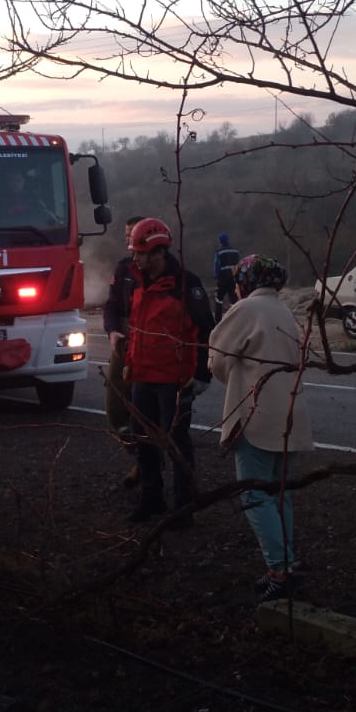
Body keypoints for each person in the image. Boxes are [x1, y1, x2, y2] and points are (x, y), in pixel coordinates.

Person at [208, 254, 314, 598]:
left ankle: (278, 572)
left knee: (254, 493)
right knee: (277, 494)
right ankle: (287, 565)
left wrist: (231, 376)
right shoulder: (285, 311)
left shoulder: (246, 309)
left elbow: (218, 358)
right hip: (290, 414)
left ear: (245, 282)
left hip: (256, 414)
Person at [123, 217, 215, 526]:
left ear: (158, 252)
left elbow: (205, 330)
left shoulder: (186, 285)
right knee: (142, 440)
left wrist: (202, 374)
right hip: (142, 376)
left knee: (177, 442)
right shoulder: (137, 282)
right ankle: (152, 499)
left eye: (140, 252)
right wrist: (130, 362)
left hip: (175, 380)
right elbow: (136, 326)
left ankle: (183, 508)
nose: (134, 258)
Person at [103, 215, 143, 484]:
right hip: (125, 340)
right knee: (116, 406)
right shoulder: (123, 268)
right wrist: (112, 330)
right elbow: (111, 305)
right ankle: (138, 456)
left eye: (134, 234)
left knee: (147, 406)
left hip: (153, 342)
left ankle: (147, 466)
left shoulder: (168, 269)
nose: (129, 240)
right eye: (126, 235)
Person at [213, 233, 241, 322]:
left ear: (220, 241)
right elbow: (239, 264)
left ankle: (218, 320)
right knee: (234, 298)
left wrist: (216, 275)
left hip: (223, 278)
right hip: (234, 278)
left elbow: (217, 265)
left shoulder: (219, 252)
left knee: (218, 299)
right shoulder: (235, 251)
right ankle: (237, 319)